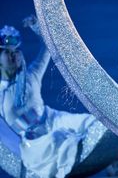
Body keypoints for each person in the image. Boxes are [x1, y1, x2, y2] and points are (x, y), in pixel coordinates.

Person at [0, 16, 96, 177]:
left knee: (91, 122)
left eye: (16, 51)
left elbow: (48, 48)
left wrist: (38, 27)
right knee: (56, 140)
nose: (13, 56)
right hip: (31, 140)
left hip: (53, 119)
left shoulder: (32, 75)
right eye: (7, 52)